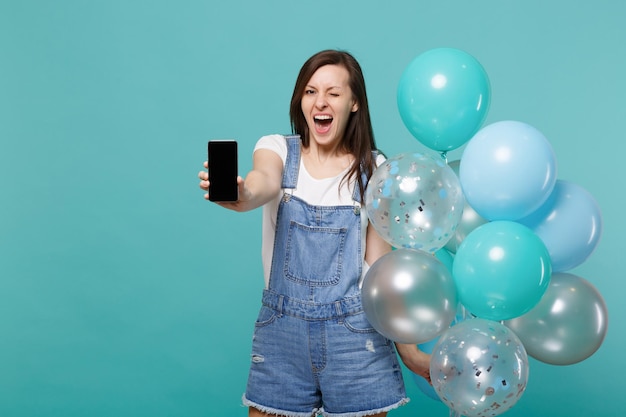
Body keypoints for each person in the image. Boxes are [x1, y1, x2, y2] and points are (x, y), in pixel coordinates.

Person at [198, 49, 431, 417]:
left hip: (357, 338)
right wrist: (241, 195)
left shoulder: (375, 170)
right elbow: (262, 183)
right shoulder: (276, 149)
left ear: (354, 103)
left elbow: (381, 273)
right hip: (282, 338)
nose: (320, 102)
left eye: (333, 93)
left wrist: (413, 354)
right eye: (310, 92)